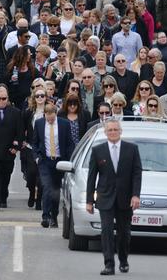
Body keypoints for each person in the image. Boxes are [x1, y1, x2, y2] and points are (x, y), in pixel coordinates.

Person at [86, 119, 142, 275]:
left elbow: (137, 173)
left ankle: (123, 260)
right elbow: (92, 176)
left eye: (115, 129)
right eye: (109, 130)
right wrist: (89, 201)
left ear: (120, 131)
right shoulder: (98, 150)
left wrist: (135, 195)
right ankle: (109, 264)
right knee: (107, 230)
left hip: (125, 198)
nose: (112, 132)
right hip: (105, 197)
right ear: (105, 132)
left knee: (124, 233)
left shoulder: (131, 149)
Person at [32, 104, 75, 228]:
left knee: (55, 190)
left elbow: (69, 144)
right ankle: (45, 217)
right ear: (44, 114)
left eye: (52, 117)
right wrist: (36, 157)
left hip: (59, 162)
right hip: (45, 161)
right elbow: (35, 142)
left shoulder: (64, 124)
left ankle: (54, 216)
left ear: (56, 114)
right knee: (47, 187)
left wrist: (68, 159)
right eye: (47, 117)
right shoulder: (39, 123)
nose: (50, 120)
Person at [22, 87, 48, 210]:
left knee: (41, 175)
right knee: (31, 174)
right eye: (37, 96)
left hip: (44, 148)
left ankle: (39, 200)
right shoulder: (28, 112)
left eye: (42, 96)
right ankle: (32, 192)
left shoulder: (49, 112)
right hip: (30, 146)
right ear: (34, 98)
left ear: (46, 97)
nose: (40, 98)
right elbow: (22, 127)